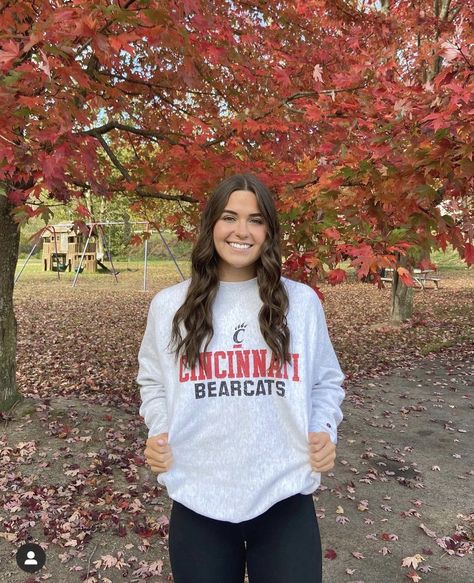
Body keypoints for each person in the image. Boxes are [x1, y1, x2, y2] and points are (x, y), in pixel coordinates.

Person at [136, 173, 345, 583]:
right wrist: (160, 431)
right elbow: (154, 382)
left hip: (284, 496)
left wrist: (324, 429)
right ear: (212, 224)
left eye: (256, 220)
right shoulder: (169, 307)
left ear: (269, 231)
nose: (241, 231)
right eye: (230, 217)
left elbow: (325, 380)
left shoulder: (300, 304)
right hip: (199, 496)